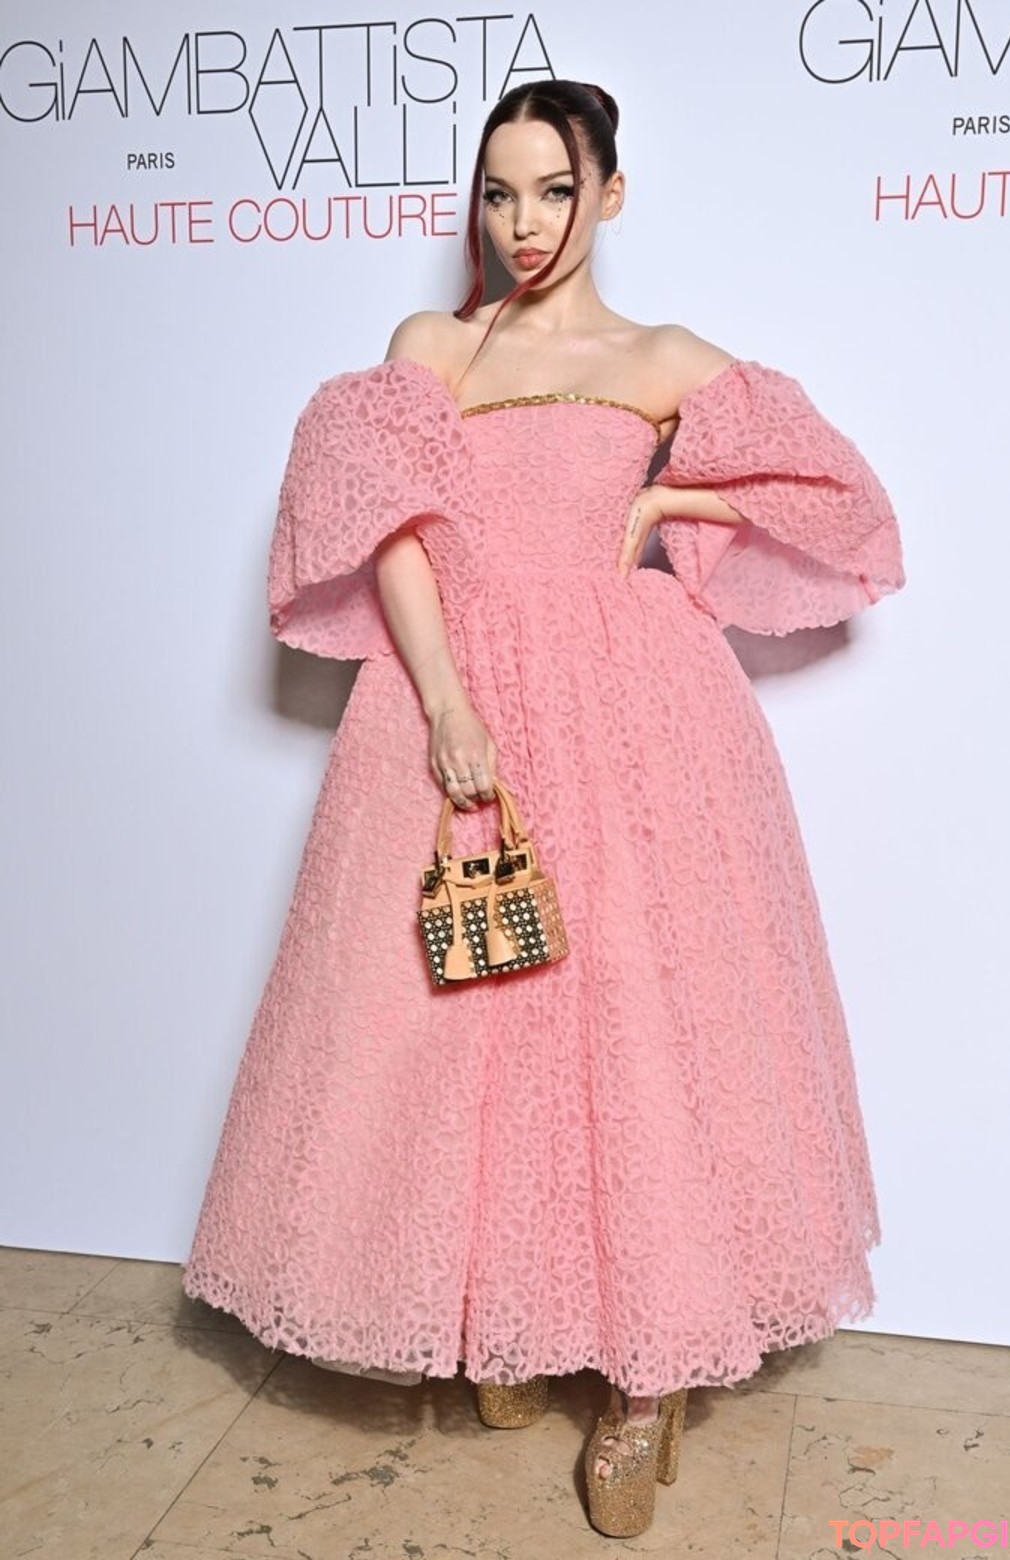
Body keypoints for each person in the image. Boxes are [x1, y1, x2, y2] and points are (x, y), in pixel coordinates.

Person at [181, 78, 904, 1539]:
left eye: (557, 192)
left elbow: (846, 501)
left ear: (611, 195)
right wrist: (448, 701)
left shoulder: (659, 357)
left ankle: (650, 1380)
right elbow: (389, 528)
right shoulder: (432, 348)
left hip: (638, 708)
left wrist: (667, 508)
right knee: (470, 1018)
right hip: (459, 694)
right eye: (500, 193)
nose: (524, 223)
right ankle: (515, 1312)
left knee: (642, 1016)